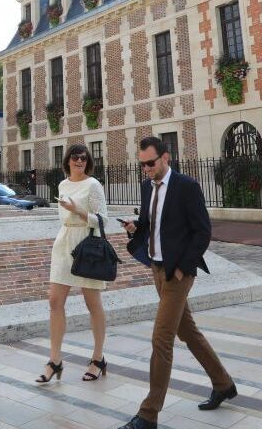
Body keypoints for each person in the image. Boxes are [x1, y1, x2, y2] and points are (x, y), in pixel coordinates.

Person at [118, 137, 235, 429]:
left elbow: (202, 232)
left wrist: (183, 269)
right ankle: (223, 384)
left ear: (165, 158)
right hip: (157, 269)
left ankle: (148, 414)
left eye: (150, 163)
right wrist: (135, 228)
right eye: (142, 164)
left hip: (178, 274)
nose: (145, 169)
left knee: (161, 338)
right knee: (188, 332)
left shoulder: (187, 187)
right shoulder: (147, 187)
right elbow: (148, 224)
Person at [37, 144, 110, 384]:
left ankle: (98, 358)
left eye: (83, 158)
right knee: (54, 301)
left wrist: (78, 211)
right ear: (67, 160)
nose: (79, 161)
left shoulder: (93, 185)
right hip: (64, 242)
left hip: (87, 245)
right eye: (75, 157)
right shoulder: (62, 184)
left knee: (92, 303)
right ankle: (54, 359)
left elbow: (102, 220)